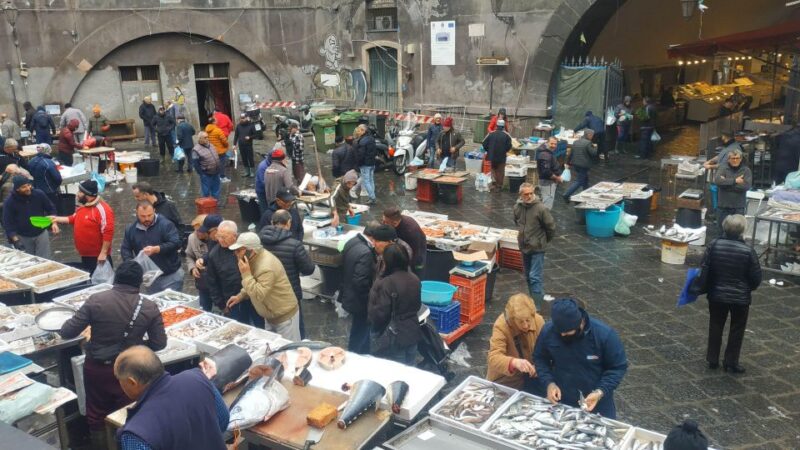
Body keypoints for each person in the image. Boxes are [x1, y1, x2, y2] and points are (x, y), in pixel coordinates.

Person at [58, 261, 166, 449]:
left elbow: (67, 331)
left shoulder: (96, 300)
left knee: (96, 414)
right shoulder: (149, 307)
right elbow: (159, 343)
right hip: (131, 370)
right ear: (139, 283)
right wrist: (135, 346)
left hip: (96, 369)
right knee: (128, 413)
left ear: (116, 278)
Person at [114, 346, 228, 450]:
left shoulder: (136, 433)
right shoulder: (197, 378)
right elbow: (223, 420)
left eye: (119, 380)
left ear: (132, 382)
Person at [534, 298, 628, 418]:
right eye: (559, 332)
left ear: (581, 323)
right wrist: (549, 383)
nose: (562, 335)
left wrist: (600, 392)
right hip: (562, 400)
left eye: (567, 333)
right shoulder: (548, 331)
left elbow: (617, 368)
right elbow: (540, 358)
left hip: (597, 402)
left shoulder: (604, 335)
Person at [703, 214, 762, 374]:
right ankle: (731, 362)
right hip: (740, 298)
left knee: (715, 324)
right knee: (737, 329)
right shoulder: (748, 251)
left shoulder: (714, 245)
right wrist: (747, 288)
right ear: (742, 230)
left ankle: (712, 358)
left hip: (717, 294)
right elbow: (756, 278)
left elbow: (705, 268)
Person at [227, 232, 301, 341]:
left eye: (239, 250)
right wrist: (241, 295)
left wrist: (245, 274)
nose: (235, 253)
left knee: (289, 349)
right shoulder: (252, 259)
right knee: (272, 348)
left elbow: (258, 294)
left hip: (284, 318)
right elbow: (255, 282)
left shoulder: (266, 266)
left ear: (251, 250)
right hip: (270, 315)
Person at [260, 209, 315, 338]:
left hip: (267, 292)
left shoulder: (259, 243)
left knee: (271, 331)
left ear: (272, 222)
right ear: (289, 223)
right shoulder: (294, 245)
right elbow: (308, 269)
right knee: (296, 329)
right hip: (290, 293)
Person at [368, 243, 421, 365]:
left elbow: (380, 313)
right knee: (411, 366)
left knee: (396, 370)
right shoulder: (415, 279)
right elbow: (417, 305)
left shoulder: (387, 282)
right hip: (413, 330)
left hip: (394, 335)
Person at [49, 179, 115, 275]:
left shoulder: (103, 209)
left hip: (98, 257)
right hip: (86, 256)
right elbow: (73, 218)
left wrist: (103, 253)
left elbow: (108, 231)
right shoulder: (83, 207)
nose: (77, 194)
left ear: (88, 195)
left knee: (100, 281)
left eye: (80, 192)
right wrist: (55, 219)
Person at [205, 221, 263, 327]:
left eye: (224, 237)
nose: (220, 240)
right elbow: (212, 282)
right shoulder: (214, 254)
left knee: (261, 327)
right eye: (219, 236)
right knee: (241, 329)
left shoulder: (246, 245)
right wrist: (221, 304)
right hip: (233, 301)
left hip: (253, 297)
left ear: (234, 236)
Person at [120, 202, 184, 294]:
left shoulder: (166, 224)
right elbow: (125, 248)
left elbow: (176, 243)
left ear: (154, 211)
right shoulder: (131, 229)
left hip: (171, 275)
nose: (146, 219)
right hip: (150, 278)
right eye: (143, 216)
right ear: (137, 213)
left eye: (149, 215)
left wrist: (157, 249)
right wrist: (131, 263)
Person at [487, 294, 546, 393]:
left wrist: (539, 366)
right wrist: (514, 362)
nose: (525, 325)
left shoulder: (539, 320)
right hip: (508, 380)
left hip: (533, 376)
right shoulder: (501, 326)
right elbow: (493, 357)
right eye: (520, 322)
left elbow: (546, 348)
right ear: (512, 319)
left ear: (533, 315)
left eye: (528, 320)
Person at [514, 183, 556, 310]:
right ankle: (536, 298)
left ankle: (537, 306)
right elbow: (517, 221)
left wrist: (543, 241)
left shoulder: (541, 209)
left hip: (538, 247)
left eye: (531, 193)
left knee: (534, 276)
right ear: (521, 195)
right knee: (528, 275)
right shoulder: (517, 207)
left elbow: (551, 227)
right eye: (526, 194)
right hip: (524, 246)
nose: (529, 196)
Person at [339, 226, 377, 354]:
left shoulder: (352, 241)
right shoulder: (366, 252)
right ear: (373, 237)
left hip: (348, 292)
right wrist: (369, 298)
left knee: (361, 328)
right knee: (359, 330)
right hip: (359, 300)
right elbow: (361, 281)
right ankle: (354, 355)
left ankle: (365, 353)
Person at [3, 175, 57, 257]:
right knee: (29, 260)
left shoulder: (39, 194)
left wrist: (54, 223)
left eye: (28, 185)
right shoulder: (9, 202)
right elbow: (8, 223)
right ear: (17, 189)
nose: (28, 188)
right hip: (23, 236)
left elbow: (51, 209)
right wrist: (16, 240)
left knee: (45, 259)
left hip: (41, 232)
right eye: (23, 187)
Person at [187, 214, 221, 312]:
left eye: (200, 230)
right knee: (204, 308)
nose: (197, 233)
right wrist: (192, 268)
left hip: (217, 282)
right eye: (195, 230)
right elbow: (189, 256)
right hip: (203, 282)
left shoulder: (216, 240)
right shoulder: (192, 238)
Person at [713, 149, 751, 235]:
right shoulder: (723, 168)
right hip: (723, 206)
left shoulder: (746, 170)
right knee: (721, 231)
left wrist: (725, 184)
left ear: (741, 159)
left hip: (738, 207)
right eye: (733, 158)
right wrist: (735, 181)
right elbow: (718, 181)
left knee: (737, 232)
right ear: (729, 159)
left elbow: (746, 186)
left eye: (737, 158)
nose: (735, 160)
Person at [382, 206, 426, 276]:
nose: (383, 223)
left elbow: (414, 252)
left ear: (395, 223)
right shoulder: (393, 222)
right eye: (383, 220)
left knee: (414, 271)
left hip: (416, 253)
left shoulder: (410, 231)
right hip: (402, 248)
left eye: (385, 222)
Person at [563, 129, 596, 200]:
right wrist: (595, 147)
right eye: (592, 135)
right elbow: (593, 153)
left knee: (585, 179)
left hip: (575, 164)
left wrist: (567, 162)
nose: (592, 137)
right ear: (589, 135)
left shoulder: (576, 142)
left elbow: (570, 153)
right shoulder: (588, 143)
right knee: (579, 181)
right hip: (584, 165)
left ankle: (586, 194)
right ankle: (567, 194)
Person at [27, 143, 62, 208]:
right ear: (48, 151)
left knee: (40, 208)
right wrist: (54, 187)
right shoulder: (48, 162)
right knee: (51, 208)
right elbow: (58, 178)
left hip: (35, 189)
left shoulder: (31, 161)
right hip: (49, 190)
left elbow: (30, 173)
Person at [483, 119, 512, 192]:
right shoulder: (506, 135)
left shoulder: (491, 134)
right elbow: (509, 146)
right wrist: (504, 151)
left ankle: (494, 184)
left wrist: (489, 151)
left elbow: (484, 144)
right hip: (501, 157)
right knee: (500, 171)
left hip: (492, 156)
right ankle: (499, 186)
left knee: (493, 169)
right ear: (503, 126)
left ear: (496, 125)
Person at [192, 131, 221, 200]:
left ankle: (215, 201)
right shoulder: (195, 150)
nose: (207, 138)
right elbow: (195, 163)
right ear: (200, 139)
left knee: (216, 189)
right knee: (206, 191)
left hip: (216, 172)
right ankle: (206, 203)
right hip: (206, 174)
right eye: (205, 137)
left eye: (207, 137)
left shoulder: (211, 145)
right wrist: (201, 173)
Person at [535, 137, 563, 209]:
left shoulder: (547, 152)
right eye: (552, 143)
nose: (553, 146)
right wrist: (557, 178)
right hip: (548, 182)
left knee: (543, 201)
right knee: (547, 205)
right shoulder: (545, 154)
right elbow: (546, 171)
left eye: (555, 144)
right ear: (547, 143)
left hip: (546, 182)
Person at [354, 124, 377, 205]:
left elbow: (361, 155)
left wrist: (358, 164)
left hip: (365, 164)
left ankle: (372, 198)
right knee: (371, 180)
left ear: (363, 131)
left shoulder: (362, 141)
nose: (358, 132)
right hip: (372, 163)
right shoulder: (371, 138)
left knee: (366, 181)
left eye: (359, 130)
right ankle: (372, 196)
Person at [205, 116, 230, 182]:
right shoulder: (218, 130)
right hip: (220, 151)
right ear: (214, 122)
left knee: (214, 164)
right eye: (216, 120)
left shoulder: (206, 130)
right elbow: (224, 141)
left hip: (212, 150)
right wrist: (226, 146)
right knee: (222, 164)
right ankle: (222, 177)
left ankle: (216, 177)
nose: (217, 121)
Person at [233, 113, 257, 177]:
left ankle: (252, 172)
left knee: (250, 158)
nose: (242, 119)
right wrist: (234, 144)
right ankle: (247, 171)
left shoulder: (251, 125)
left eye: (243, 118)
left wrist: (250, 137)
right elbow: (236, 135)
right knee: (244, 158)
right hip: (241, 145)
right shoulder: (238, 126)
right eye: (241, 118)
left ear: (246, 118)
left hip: (248, 145)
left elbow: (255, 135)